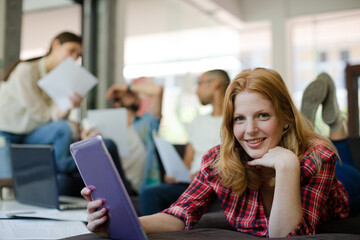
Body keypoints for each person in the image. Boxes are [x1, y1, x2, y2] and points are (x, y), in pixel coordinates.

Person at [82, 68, 349, 238]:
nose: (250, 130)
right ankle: (315, 121)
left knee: (343, 160)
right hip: (293, 146)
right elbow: (179, 214)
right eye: (239, 119)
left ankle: (335, 126)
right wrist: (116, 223)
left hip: (344, 188)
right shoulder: (217, 159)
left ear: (285, 117)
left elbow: (285, 235)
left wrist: (288, 164)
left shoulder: (317, 156)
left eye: (263, 115)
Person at [140, 69, 230, 215]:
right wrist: (177, 174)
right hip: (192, 184)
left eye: (199, 84)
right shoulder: (197, 121)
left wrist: (205, 174)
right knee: (149, 193)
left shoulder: (235, 120)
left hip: (218, 184)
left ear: (215, 84)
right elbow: (188, 161)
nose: (196, 91)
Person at [0, 31, 83, 173]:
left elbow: (52, 115)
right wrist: (59, 112)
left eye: (78, 55)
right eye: (71, 51)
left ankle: (59, 172)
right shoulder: (25, 71)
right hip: (7, 132)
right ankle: (64, 168)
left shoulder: (61, 79)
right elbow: (39, 113)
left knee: (65, 128)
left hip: (31, 132)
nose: (74, 58)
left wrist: (67, 107)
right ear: (55, 45)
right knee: (8, 186)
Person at [301, 72, 360, 215]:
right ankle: (309, 128)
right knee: (340, 166)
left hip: (336, 178)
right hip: (344, 182)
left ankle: (332, 123)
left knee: (338, 160)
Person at [106, 79, 163, 193]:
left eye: (134, 93)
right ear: (116, 103)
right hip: (115, 185)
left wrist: (124, 87)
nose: (133, 95)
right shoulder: (108, 130)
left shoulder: (146, 123)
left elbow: (157, 90)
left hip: (139, 189)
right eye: (127, 94)